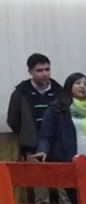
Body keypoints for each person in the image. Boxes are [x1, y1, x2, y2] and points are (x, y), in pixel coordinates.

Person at [37, 72, 86, 204]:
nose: (82, 87)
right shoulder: (58, 108)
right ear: (69, 86)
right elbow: (46, 134)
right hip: (71, 160)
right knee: (75, 201)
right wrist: (43, 150)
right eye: (78, 83)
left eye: (85, 84)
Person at [8, 54, 63, 195]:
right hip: (33, 147)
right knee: (41, 190)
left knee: (64, 189)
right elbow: (13, 120)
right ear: (30, 72)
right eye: (39, 70)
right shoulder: (20, 93)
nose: (44, 74)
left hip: (58, 145)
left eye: (47, 69)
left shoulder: (59, 91)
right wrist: (27, 134)